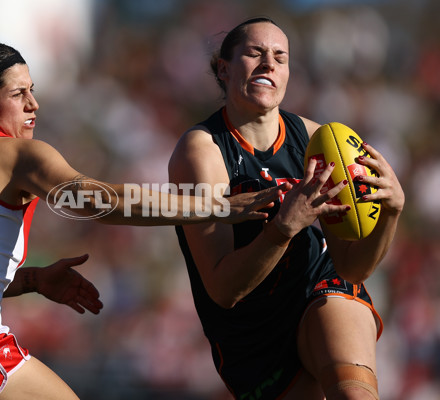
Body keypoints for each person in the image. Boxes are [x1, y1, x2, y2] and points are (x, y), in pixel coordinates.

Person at [0, 41, 287, 400]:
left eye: (32, 90)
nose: (34, 104)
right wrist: (214, 205)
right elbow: (97, 201)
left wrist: (33, 280)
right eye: (18, 94)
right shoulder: (12, 152)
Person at [169, 17, 404, 400]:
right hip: (250, 328)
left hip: (320, 286)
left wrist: (392, 212)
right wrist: (282, 227)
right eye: (255, 53)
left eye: (280, 57)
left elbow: (352, 268)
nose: (268, 64)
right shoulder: (202, 150)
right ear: (224, 69)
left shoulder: (318, 139)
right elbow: (224, 289)